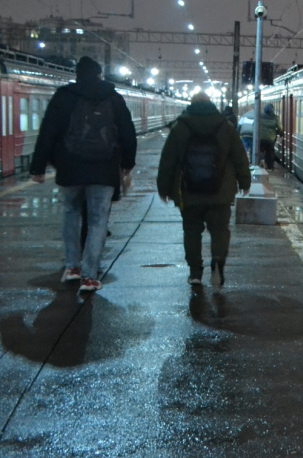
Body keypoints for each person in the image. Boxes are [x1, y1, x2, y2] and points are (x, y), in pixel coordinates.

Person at [29, 56, 136, 294]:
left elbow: (48, 132)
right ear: (99, 74)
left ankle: (72, 267)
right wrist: (127, 164)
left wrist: (38, 167)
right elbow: (128, 133)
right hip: (104, 170)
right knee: (98, 221)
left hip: (70, 169)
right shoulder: (114, 98)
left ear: (77, 74)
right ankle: (90, 276)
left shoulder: (64, 96)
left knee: (70, 214)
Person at [157, 92, 251, 287]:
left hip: (188, 192)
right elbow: (240, 157)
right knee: (220, 231)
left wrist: (163, 188)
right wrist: (245, 182)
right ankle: (217, 262)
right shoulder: (226, 127)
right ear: (212, 104)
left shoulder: (179, 128)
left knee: (191, 232)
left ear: (190, 104)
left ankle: (195, 273)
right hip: (221, 192)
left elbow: (167, 161)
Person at [258, 103, 281, 171]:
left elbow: (255, 124)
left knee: (261, 150)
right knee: (270, 152)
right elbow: (279, 128)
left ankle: (261, 162)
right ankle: (270, 167)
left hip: (261, 137)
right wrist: (276, 132)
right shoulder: (276, 118)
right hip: (271, 138)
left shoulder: (260, 116)